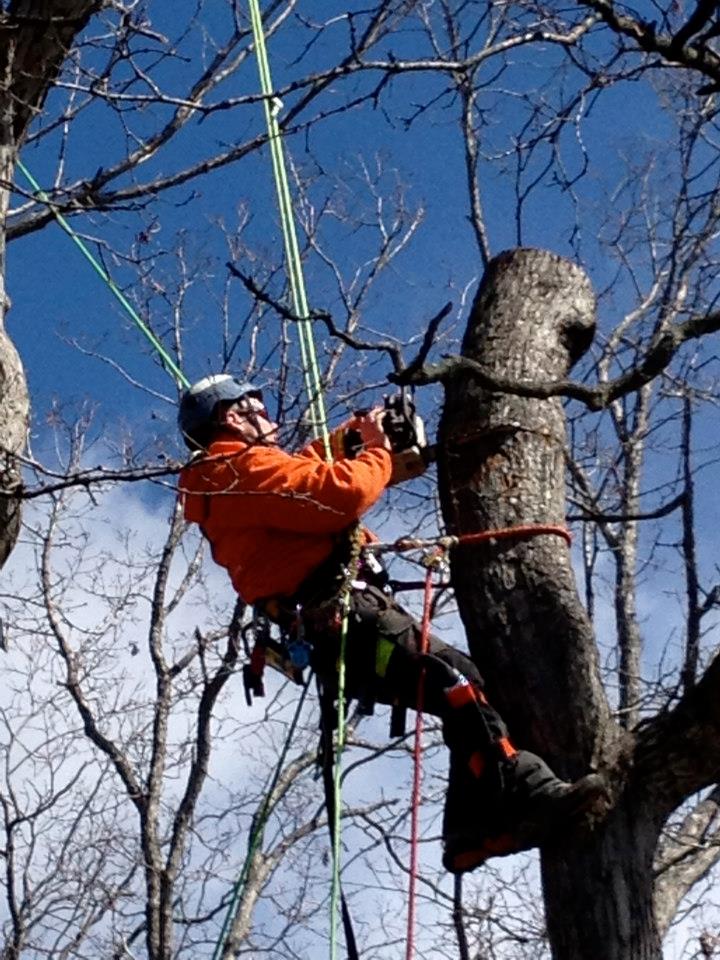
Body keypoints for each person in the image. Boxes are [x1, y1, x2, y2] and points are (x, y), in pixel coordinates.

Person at [178, 374, 605, 873]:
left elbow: (306, 469)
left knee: (454, 686)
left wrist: (352, 438)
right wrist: (376, 452)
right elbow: (341, 494)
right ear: (234, 415)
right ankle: (525, 793)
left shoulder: (232, 474)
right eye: (257, 405)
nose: (269, 416)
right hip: (346, 622)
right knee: (457, 682)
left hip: (338, 634)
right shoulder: (235, 468)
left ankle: (470, 832)